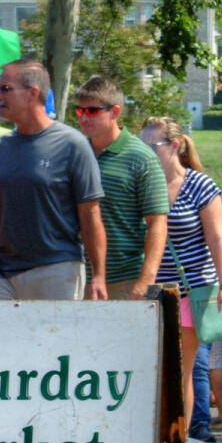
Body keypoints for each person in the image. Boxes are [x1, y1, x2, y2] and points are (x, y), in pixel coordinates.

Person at [0, 61, 105, 302]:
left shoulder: (73, 145)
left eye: (5, 89)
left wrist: (99, 276)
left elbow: (90, 214)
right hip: (1, 271)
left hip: (56, 269)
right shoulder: (0, 147)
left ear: (33, 93)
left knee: (52, 340)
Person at [142, 118, 222, 440]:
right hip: (149, 293)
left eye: (152, 146)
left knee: (180, 372)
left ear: (175, 147)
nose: (146, 152)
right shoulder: (142, 183)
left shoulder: (200, 185)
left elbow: (218, 240)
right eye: (143, 146)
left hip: (190, 291)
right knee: (151, 372)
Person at [73, 78, 169, 300]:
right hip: (75, 278)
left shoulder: (141, 157)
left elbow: (157, 223)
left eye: (93, 111)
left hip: (125, 282)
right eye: (79, 111)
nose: (84, 117)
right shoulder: (74, 152)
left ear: (115, 112)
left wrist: (145, 281)